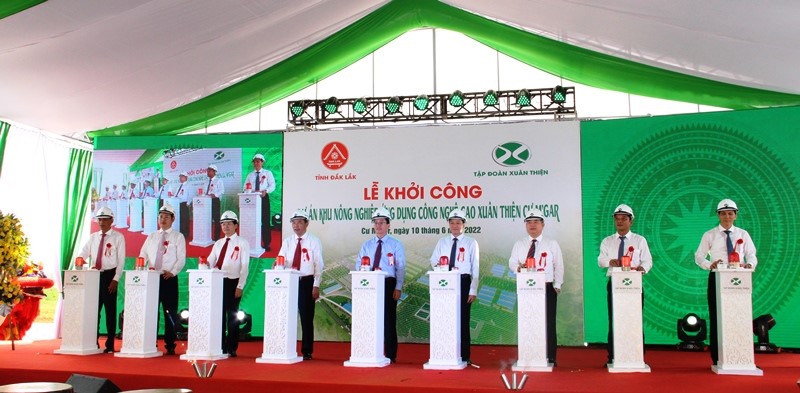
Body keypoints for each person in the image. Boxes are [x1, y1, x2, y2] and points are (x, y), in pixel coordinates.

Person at [694, 198, 757, 366]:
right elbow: (699, 256)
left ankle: (742, 357)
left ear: (736, 215)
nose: (727, 217)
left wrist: (750, 264)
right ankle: (718, 357)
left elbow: (751, 254)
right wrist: (709, 264)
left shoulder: (743, 234)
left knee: (740, 315)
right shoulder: (710, 234)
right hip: (717, 277)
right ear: (718, 215)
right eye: (723, 214)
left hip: (740, 278)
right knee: (717, 316)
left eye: (730, 213)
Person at [597, 204, 652, 365]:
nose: (619, 222)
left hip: (634, 284)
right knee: (614, 319)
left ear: (631, 221)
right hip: (614, 283)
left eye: (623, 219)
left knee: (635, 319)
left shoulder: (639, 240)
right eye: (617, 219)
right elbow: (600, 260)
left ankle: (637, 355)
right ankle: (613, 356)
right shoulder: (607, 241)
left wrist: (643, 268)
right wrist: (610, 261)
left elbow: (648, 260)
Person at [507, 208, 563, 366]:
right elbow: (512, 262)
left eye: (536, 222)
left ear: (543, 224)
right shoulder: (519, 244)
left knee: (548, 323)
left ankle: (550, 356)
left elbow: (559, 265)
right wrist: (519, 267)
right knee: (528, 321)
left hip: (546, 287)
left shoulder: (551, 243)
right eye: (529, 222)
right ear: (525, 225)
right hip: (526, 288)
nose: (532, 225)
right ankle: (528, 354)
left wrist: (557, 285)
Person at [429, 208, 479, 365]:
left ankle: (464, 356)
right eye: (452, 222)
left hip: (463, 282)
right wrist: (439, 267)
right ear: (448, 224)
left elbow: (475, 267)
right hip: (445, 282)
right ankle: (446, 352)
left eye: (458, 222)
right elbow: (433, 260)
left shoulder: (471, 242)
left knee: (463, 320)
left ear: (464, 224)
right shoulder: (442, 241)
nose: (455, 225)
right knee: (444, 318)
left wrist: (473, 289)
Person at [356, 207, 405, 364]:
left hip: (388, 284)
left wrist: (398, 287)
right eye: (376, 222)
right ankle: (370, 350)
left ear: (388, 225)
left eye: (382, 222)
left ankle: (391, 354)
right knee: (369, 318)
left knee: (389, 320)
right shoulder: (367, 245)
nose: (378, 226)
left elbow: (401, 267)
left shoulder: (395, 244)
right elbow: (359, 264)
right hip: (370, 284)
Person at [139, 204, 186, 355]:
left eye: (166, 217)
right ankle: (150, 342)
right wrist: (140, 268)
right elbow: (143, 254)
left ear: (173, 219)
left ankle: (170, 344)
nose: (163, 219)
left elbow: (181, 259)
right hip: (152, 278)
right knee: (152, 311)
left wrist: (172, 272)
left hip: (169, 279)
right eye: (161, 216)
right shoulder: (151, 236)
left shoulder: (178, 236)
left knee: (170, 312)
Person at [77, 206, 125, 353]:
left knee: (110, 311)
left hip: (110, 276)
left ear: (112, 220)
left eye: (105, 219)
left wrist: (116, 279)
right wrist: (79, 259)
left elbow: (121, 260)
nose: (102, 222)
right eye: (100, 219)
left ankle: (110, 344)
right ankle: (93, 342)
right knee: (93, 311)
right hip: (94, 277)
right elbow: (83, 253)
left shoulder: (118, 237)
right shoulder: (93, 237)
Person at [277, 209, 323, 360]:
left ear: (306, 224)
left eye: (299, 222)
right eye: (293, 222)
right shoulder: (288, 241)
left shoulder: (314, 241)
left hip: (306, 282)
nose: (296, 226)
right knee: (286, 316)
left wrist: (316, 285)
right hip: (290, 281)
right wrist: (277, 264)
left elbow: (318, 264)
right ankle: (285, 348)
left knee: (306, 318)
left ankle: (307, 351)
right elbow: (281, 258)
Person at [206, 211, 250, 357]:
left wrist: (240, 286)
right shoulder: (218, 244)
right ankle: (220, 346)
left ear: (236, 225)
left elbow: (244, 266)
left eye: (229, 224)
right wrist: (204, 265)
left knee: (232, 316)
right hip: (218, 282)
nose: (226, 227)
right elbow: (210, 260)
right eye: (223, 224)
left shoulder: (242, 242)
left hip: (233, 282)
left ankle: (232, 347)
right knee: (218, 315)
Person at [243, 153, 276, 251]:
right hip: (252, 199)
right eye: (255, 161)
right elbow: (245, 186)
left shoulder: (267, 173)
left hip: (263, 198)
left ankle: (266, 243)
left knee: (265, 221)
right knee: (252, 221)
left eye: (258, 161)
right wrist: (247, 192)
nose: (256, 163)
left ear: (262, 162)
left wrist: (266, 191)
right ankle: (252, 242)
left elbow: (272, 185)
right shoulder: (250, 175)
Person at [205, 164, 225, 240]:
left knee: (216, 219)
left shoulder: (218, 181)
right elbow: (204, 191)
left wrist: (215, 194)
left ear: (214, 172)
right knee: (207, 219)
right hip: (206, 201)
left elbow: (222, 191)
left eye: (209, 170)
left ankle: (216, 237)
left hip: (215, 201)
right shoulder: (206, 182)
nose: (207, 172)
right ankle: (207, 236)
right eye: (207, 170)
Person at [173, 172, 191, 240]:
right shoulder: (179, 186)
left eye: (182, 176)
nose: (180, 178)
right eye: (180, 177)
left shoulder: (188, 185)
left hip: (184, 204)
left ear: (186, 177)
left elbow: (190, 194)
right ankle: (180, 232)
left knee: (185, 219)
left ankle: (185, 234)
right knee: (179, 219)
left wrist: (188, 203)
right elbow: (176, 195)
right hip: (177, 204)